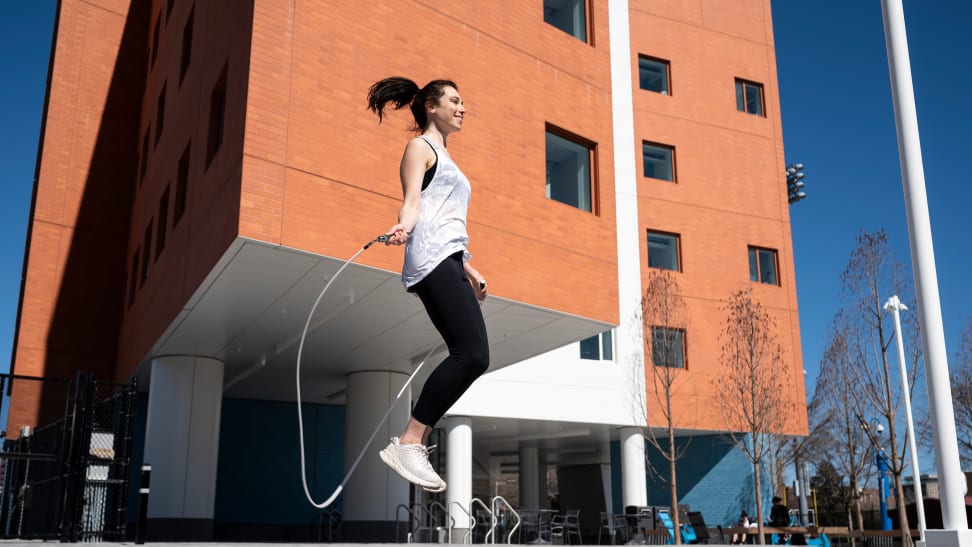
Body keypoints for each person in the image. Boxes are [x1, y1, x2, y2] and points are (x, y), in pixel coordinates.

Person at [367, 76, 489, 493]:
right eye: (455, 100)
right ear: (431, 107)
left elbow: (448, 216)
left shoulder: (449, 159)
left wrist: (469, 269)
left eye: (463, 101)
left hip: (450, 259)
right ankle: (409, 441)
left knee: (476, 357)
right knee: (471, 353)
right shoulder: (421, 147)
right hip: (431, 257)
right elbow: (414, 201)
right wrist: (403, 226)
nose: (463, 107)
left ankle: (412, 440)